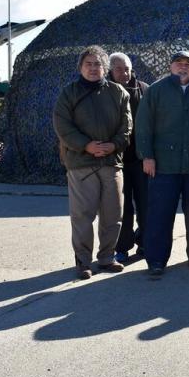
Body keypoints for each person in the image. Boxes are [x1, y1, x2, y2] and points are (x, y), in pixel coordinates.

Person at [136, 50, 189, 276]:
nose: (183, 67)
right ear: (171, 66)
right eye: (179, 63)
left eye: (188, 64)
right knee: (159, 216)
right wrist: (147, 156)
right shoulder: (155, 91)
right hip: (164, 166)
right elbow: (143, 126)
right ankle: (156, 261)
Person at [53, 46, 131, 280]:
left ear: (105, 68)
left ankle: (107, 257)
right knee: (82, 216)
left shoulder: (118, 93)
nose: (93, 68)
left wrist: (114, 145)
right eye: (89, 64)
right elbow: (62, 126)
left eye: (98, 64)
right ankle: (83, 262)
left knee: (113, 214)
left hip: (111, 162)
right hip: (80, 164)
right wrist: (86, 145)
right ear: (80, 67)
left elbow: (126, 127)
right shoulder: (69, 93)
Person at [107, 52, 150, 264]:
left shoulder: (144, 89)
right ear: (110, 70)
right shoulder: (104, 92)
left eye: (126, 69)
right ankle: (122, 247)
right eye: (118, 69)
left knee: (145, 204)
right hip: (117, 160)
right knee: (123, 208)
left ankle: (145, 243)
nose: (124, 73)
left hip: (141, 160)